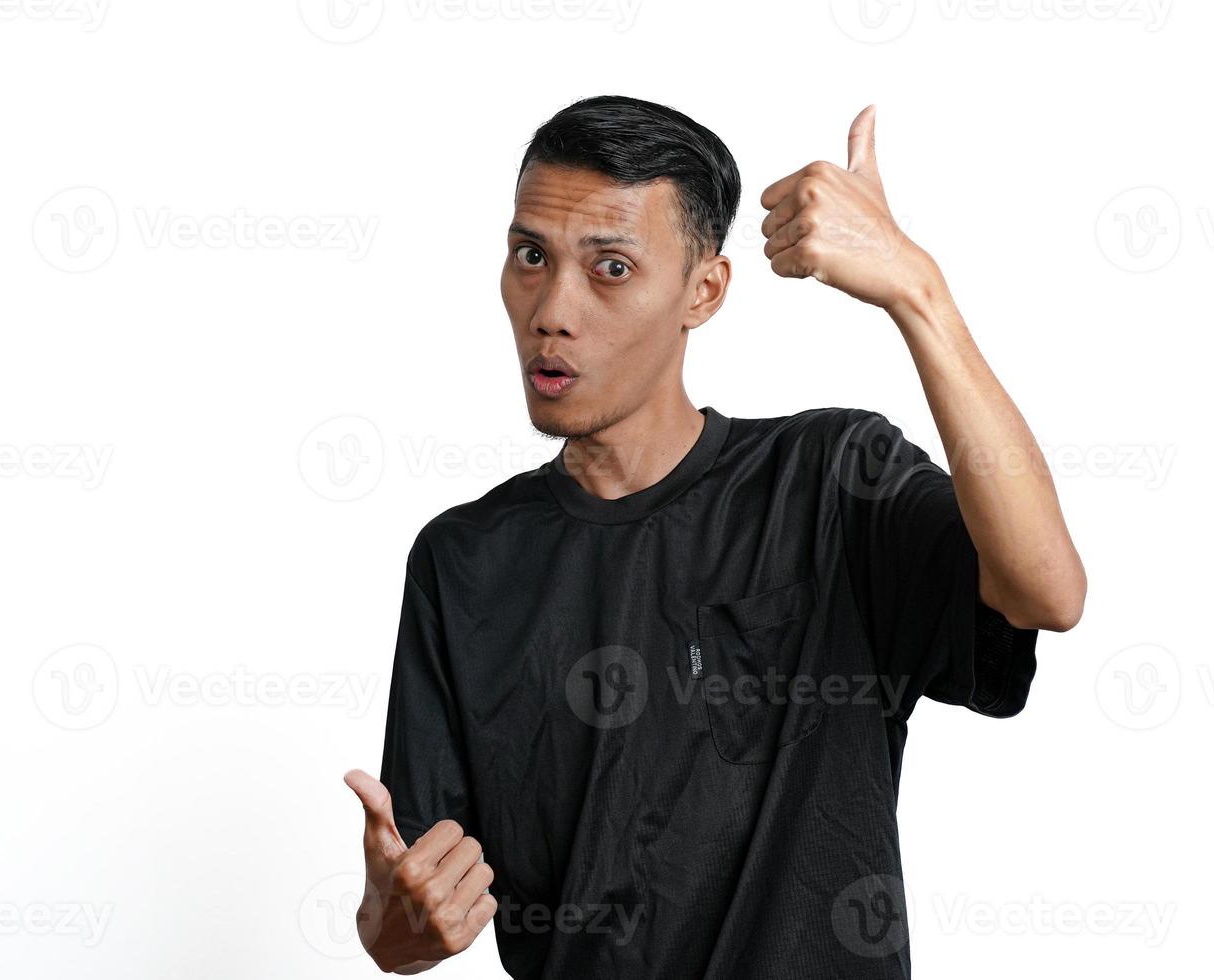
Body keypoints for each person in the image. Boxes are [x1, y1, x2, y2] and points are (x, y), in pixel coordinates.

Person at [343, 94, 1085, 978]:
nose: (552, 309)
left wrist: (916, 290)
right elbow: (404, 929)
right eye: (530, 256)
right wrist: (397, 917)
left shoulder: (828, 480)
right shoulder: (462, 561)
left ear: (705, 290)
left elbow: (1047, 589)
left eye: (610, 267)